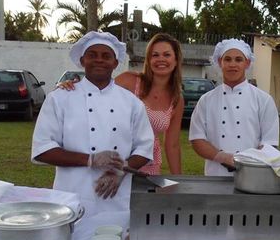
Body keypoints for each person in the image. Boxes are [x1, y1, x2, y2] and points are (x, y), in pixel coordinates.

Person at [31, 31, 154, 216]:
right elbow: (42, 149)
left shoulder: (132, 103)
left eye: (106, 56)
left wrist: (121, 171)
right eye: (92, 55)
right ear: (82, 60)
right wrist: (90, 160)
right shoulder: (59, 98)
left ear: (115, 62)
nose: (99, 60)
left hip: (116, 197)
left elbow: (144, 147)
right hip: (72, 195)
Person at [58, 33, 184, 175]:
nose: (161, 59)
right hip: (113, 158)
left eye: (166, 55)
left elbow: (172, 145)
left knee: (144, 197)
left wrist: (179, 180)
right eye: (155, 55)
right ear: (148, 60)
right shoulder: (130, 81)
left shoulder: (176, 99)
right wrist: (74, 87)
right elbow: (97, 91)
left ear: (176, 60)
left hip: (147, 163)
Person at [189, 38, 280, 176]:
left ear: (247, 63)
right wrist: (223, 157)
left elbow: (269, 143)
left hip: (253, 176)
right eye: (228, 59)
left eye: (238, 59)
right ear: (220, 62)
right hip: (215, 175)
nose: (232, 64)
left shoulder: (264, 100)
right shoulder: (206, 100)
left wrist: (249, 162)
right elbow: (197, 139)